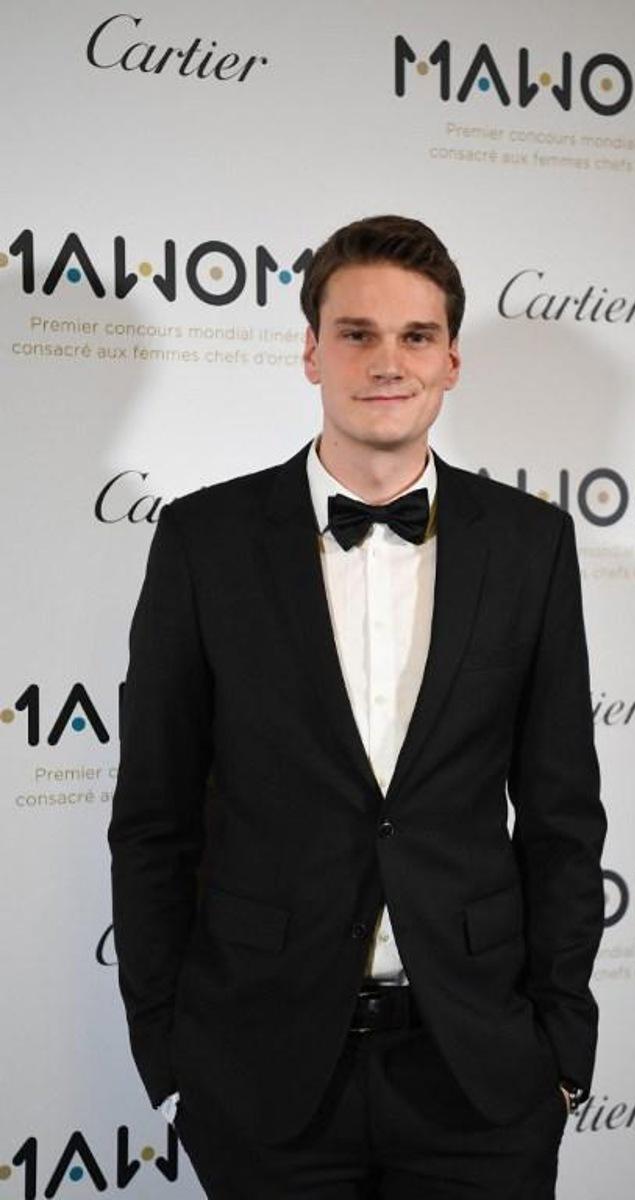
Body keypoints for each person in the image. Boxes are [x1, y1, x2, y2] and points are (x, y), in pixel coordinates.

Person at [108, 214, 607, 1198]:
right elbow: (154, 819)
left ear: (453, 360)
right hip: (261, 1070)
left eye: (416, 336)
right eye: (357, 333)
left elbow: (560, 819)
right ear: (309, 351)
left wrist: (559, 1048)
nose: (388, 361)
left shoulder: (529, 546)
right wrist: (172, 1049)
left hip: (477, 1073)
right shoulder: (204, 541)